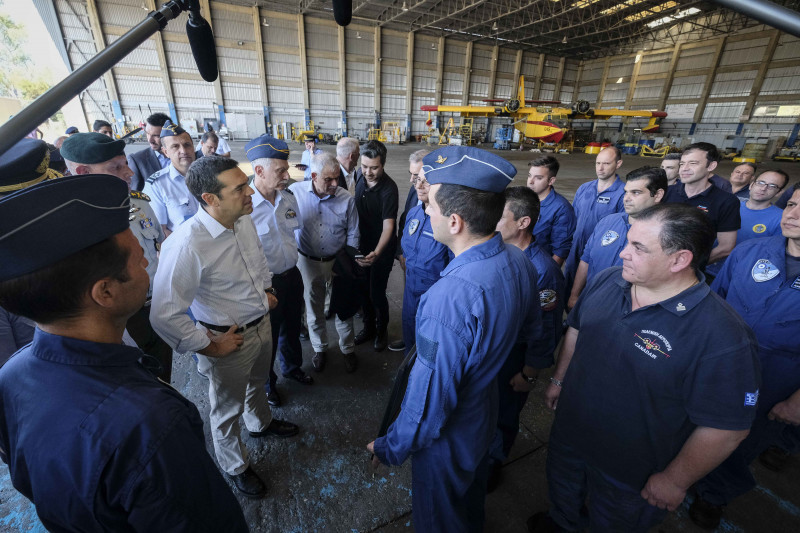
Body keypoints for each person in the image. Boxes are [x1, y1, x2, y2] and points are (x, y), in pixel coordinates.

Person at [0, 174, 248, 531]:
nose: (147, 264)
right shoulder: (150, 423)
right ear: (105, 292)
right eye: (136, 259)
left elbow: (27, 479)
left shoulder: (12, 374)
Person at [528, 203, 760, 533]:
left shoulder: (722, 336)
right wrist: (559, 378)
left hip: (630, 472)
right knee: (563, 497)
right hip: (571, 437)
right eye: (627, 241)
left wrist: (675, 480)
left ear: (680, 259)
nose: (622, 253)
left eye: (638, 247)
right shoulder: (609, 280)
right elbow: (577, 329)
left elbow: (726, 428)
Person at [367, 146, 542, 533]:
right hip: (484, 412)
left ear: (456, 221)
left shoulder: (448, 300)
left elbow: (429, 403)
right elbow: (532, 329)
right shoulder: (518, 261)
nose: (426, 209)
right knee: (469, 498)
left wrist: (390, 446)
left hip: (452, 429)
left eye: (432, 205)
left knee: (439, 515)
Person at [151, 156, 299, 499]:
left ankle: (260, 424)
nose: (250, 192)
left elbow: (257, 259)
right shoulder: (188, 243)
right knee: (226, 408)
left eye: (246, 183)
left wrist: (267, 291)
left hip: (261, 325)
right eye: (239, 188)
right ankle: (235, 466)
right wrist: (210, 346)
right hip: (227, 339)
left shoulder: (241, 219)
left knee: (257, 384)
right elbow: (164, 314)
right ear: (210, 199)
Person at [689, 184, 800, 530]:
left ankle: (714, 494)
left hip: (778, 376)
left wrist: (798, 400)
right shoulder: (751, 251)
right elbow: (714, 300)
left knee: (744, 440)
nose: (792, 214)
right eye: (793, 204)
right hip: (718, 359)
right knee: (692, 420)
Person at [60, 132, 172, 382]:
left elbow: (159, 248)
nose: (129, 173)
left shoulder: (139, 204)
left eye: (126, 164)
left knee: (163, 382)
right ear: (83, 172)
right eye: (116, 168)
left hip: (156, 307)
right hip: (115, 322)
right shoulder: (69, 223)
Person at [489, 186, 564, 491]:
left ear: (523, 222)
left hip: (515, 357)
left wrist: (530, 374)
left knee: (504, 413)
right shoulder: (497, 251)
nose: (492, 221)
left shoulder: (542, 270)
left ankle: (493, 461)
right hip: (494, 348)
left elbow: (547, 330)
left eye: (500, 216)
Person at [246, 135, 314, 408]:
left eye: (287, 169)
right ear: (259, 171)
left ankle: (292, 367)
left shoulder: (288, 197)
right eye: (281, 171)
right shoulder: (245, 208)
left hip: (292, 274)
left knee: (291, 326)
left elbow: (292, 234)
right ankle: (267, 383)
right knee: (267, 338)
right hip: (265, 284)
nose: (288, 175)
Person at [290, 152, 360, 373]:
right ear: (313, 176)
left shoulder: (346, 199)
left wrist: (348, 263)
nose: (334, 184)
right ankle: (320, 349)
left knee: (343, 308)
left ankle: (348, 349)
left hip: (338, 262)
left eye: (336, 178)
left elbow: (353, 233)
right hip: (307, 262)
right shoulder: (295, 194)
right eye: (328, 179)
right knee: (313, 308)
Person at [568, 166, 667, 309]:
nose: (626, 198)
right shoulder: (607, 222)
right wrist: (575, 295)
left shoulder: (666, 235)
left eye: (636, 193)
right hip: (590, 302)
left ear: (657, 195)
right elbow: (586, 259)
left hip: (627, 312)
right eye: (626, 192)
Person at [664, 142, 740, 277]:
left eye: (693, 163)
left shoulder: (726, 201)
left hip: (689, 274)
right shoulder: (666, 193)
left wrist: (690, 265)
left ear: (711, 166)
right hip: (656, 265)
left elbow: (726, 247)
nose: (684, 169)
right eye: (682, 164)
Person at [397, 164, 450, 355]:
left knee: (429, 344)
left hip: (433, 296)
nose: (419, 186)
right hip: (411, 288)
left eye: (426, 182)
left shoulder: (447, 222)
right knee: (409, 330)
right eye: (418, 180)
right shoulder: (414, 214)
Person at [353, 140, 399, 352]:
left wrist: (377, 252)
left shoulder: (389, 189)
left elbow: (388, 226)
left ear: (383, 164)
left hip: (381, 250)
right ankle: (368, 327)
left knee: (376, 293)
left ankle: (382, 332)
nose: (368, 172)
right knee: (362, 291)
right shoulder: (359, 178)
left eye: (374, 168)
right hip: (362, 247)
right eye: (364, 166)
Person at [563, 147, 626, 292]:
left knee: (593, 290)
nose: (600, 168)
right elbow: (572, 220)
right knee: (568, 288)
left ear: (618, 164)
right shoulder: (584, 189)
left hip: (599, 254)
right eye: (598, 163)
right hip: (575, 249)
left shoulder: (623, 194)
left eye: (606, 163)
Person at [389, 149, 429, 352]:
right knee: (410, 309)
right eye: (411, 174)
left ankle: (419, 350)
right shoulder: (416, 190)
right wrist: (400, 252)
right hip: (410, 263)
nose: (414, 180)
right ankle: (408, 341)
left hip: (429, 272)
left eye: (418, 175)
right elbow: (405, 221)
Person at [143, 120, 199, 236]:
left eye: (187, 145)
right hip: (183, 248)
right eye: (175, 147)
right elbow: (160, 230)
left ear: (193, 148)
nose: (183, 151)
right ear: (165, 152)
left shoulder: (209, 175)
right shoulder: (157, 185)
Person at [526, 155, 575, 266]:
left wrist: (547, 276)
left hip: (538, 269)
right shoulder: (524, 200)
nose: (531, 182)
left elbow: (560, 252)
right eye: (529, 176)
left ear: (551, 181)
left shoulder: (561, 209)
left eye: (538, 178)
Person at [128, 112, 171, 191]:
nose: (150, 140)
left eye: (156, 136)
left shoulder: (183, 155)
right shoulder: (138, 160)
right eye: (148, 134)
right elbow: (135, 192)